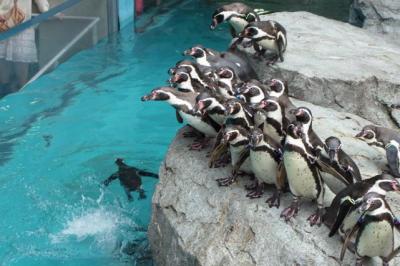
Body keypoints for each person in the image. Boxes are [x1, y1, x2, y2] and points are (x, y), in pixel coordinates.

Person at [0, 0, 50, 95]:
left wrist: (48, 11)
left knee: (21, 67)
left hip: (21, 27)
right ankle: (7, 93)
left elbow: (41, 2)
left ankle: (19, 93)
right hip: (4, 25)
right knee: (3, 71)